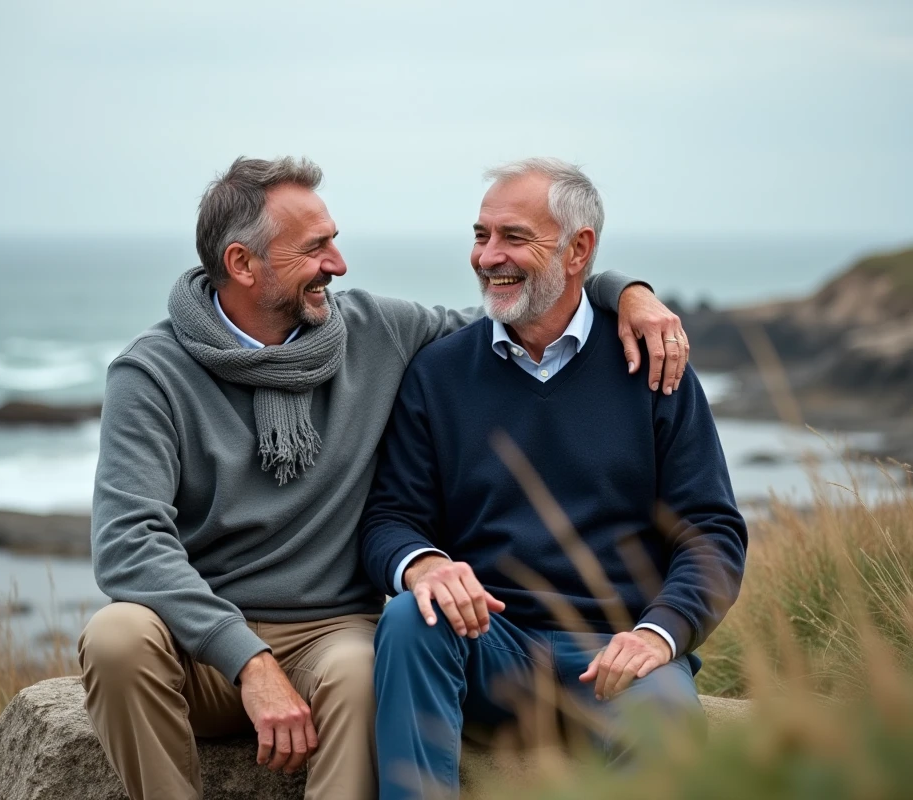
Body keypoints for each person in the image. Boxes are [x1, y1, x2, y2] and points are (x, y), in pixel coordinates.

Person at [77, 155, 691, 800]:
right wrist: (246, 660)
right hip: (197, 640)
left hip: (332, 635)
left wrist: (623, 291)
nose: (338, 264)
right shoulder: (152, 374)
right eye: (315, 249)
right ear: (241, 264)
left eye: (333, 241)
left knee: (362, 668)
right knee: (117, 637)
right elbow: (128, 544)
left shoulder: (378, 331)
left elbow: (523, 308)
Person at [360, 158, 747, 799]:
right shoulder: (439, 372)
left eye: (513, 237)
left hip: (618, 654)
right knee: (409, 618)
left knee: (670, 723)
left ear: (579, 251)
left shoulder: (652, 368)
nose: (488, 257)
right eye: (481, 235)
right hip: (489, 646)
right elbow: (389, 518)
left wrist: (660, 634)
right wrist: (423, 564)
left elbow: (712, 530)